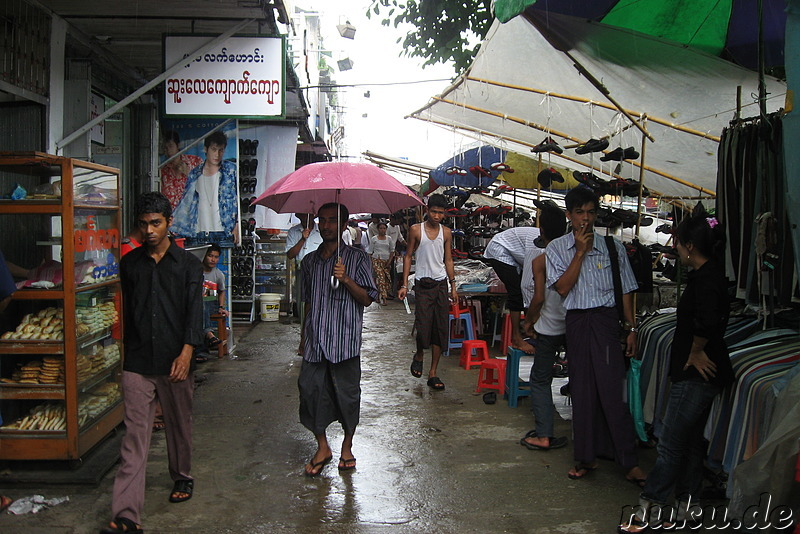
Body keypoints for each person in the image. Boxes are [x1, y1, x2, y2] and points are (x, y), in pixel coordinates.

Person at [617, 214, 732, 533]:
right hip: (701, 371)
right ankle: (687, 507)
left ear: (690, 245)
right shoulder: (707, 274)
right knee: (692, 442)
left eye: (678, 241)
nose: (675, 246)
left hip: (697, 373)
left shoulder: (707, 278)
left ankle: (649, 509)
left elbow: (708, 321)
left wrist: (695, 351)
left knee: (670, 441)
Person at [101, 192, 203, 534]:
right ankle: (127, 514)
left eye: (156, 223)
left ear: (169, 223)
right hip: (138, 360)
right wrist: (119, 354)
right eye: (143, 224)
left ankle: (182, 476)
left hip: (177, 360)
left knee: (179, 426)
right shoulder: (129, 265)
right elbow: (126, 314)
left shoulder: (188, 265)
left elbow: (194, 311)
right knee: (135, 437)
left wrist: (187, 352)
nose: (149, 231)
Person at [546, 187, 646, 485]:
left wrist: (630, 329)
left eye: (590, 212)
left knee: (611, 392)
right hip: (577, 323)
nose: (585, 219)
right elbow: (563, 288)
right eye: (579, 213)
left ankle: (628, 461)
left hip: (605, 322)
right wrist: (579, 252)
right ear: (569, 216)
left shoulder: (613, 248)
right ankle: (586, 457)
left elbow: (627, 289)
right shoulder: (556, 249)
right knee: (582, 391)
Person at [298, 202, 378, 476]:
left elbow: (368, 299)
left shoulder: (357, 259)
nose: (327, 225)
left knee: (347, 396)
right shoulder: (309, 262)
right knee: (310, 393)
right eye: (323, 220)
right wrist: (302, 337)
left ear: (344, 225)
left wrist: (347, 280)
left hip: (344, 341)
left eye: (333, 220)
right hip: (315, 340)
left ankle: (346, 446)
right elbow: (308, 302)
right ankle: (322, 446)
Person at [519, 205, 569, 451]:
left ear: (542, 230)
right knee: (580, 377)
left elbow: (538, 298)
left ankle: (544, 434)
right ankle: (585, 434)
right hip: (574, 325)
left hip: (548, 327)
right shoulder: (576, 256)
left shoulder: (542, 259)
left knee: (540, 380)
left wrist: (528, 321)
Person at [398, 194, 458, 391]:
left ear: (445, 214)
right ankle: (419, 354)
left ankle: (433, 373)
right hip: (423, 285)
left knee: (440, 330)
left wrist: (453, 285)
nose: (437, 216)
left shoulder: (446, 233)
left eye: (441, 213)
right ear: (427, 211)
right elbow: (408, 256)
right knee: (423, 328)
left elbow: (448, 260)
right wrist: (405, 284)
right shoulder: (416, 230)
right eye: (434, 211)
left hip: (441, 284)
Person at [170, 130, 239, 246]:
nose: (217, 154)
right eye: (214, 149)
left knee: (223, 262)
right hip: (198, 233)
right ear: (206, 149)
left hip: (224, 231)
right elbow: (186, 203)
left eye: (221, 150)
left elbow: (237, 199)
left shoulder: (231, 170)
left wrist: (237, 225)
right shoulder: (195, 173)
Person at [483, 226, 541, 353]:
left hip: (513, 253)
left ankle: (530, 333)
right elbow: (527, 284)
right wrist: (530, 317)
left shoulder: (552, 246)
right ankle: (516, 338)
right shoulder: (538, 247)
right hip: (500, 249)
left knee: (529, 293)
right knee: (517, 293)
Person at [286, 213, 324, 355]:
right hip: (302, 271)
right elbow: (290, 254)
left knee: (319, 305)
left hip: (320, 272)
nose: (304, 216)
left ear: (314, 215)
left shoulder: (321, 231)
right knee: (303, 306)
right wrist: (303, 239)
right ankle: (304, 340)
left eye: (307, 213)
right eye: (301, 213)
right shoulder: (293, 232)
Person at [196, 244, 228, 363]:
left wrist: (221, 307)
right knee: (199, 305)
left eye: (216, 257)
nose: (213, 259)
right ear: (204, 256)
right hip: (197, 305)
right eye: (210, 256)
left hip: (211, 303)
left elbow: (221, 292)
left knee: (204, 304)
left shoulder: (218, 274)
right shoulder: (196, 271)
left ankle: (203, 345)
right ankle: (209, 335)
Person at [159, 130, 203, 211]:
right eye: (165, 148)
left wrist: (189, 173)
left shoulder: (195, 161)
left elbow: (206, 187)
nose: (168, 150)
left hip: (192, 214)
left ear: (178, 145)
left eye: (170, 146)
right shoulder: (162, 171)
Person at [368, 221, 396, 305]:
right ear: (378, 229)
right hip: (376, 260)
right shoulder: (374, 239)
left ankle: (378, 295)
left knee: (386, 279)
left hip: (386, 261)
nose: (382, 230)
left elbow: (392, 251)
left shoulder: (389, 239)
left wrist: (389, 262)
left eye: (384, 228)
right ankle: (384, 298)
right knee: (381, 278)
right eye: (381, 228)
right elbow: (370, 251)